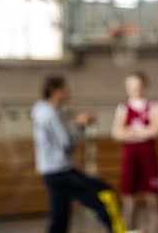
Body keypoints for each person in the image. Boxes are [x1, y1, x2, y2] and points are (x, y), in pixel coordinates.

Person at [31, 75, 125, 233]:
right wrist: (80, 125)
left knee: (59, 218)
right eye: (65, 88)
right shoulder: (49, 114)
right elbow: (67, 144)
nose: (68, 92)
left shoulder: (42, 111)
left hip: (50, 173)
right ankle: (118, 230)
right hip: (61, 171)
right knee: (104, 192)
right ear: (55, 91)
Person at [111, 71, 158, 233]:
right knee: (129, 202)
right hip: (130, 158)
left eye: (138, 85)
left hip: (149, 158)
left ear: (144, 86)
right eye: (131, 86)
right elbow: (116, 134)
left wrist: (130, 132)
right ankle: (131, 230)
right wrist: (142, 132)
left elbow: (155, 130)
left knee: (153, 201)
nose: (135, 89)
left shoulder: (154, 106)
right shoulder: (122, 108)